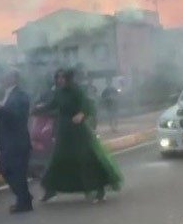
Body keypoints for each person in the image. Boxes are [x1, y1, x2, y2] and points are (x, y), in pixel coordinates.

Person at [38, 69, 123, 203]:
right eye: (58, 77)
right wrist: (37, 109)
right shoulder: (58, 93)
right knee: (58, 160)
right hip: (64, 131)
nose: (59, 80)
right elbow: (52, 105)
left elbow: (87, 105)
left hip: (78, 131)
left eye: (62, 77)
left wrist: (82, 114)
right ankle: (51, 190)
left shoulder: (77, 91)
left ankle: (100, 190)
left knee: (87, 159)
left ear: (68, 78)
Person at [0, 70, 33, 213]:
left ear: (14, 79)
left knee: (16, 172)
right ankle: (24, 198)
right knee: (6, 169)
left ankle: (24, 201)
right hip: (8, 141)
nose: (3, 78)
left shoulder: (21, 95)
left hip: (17, 141)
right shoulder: (6, 95)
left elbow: (17, 116)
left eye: (6, 76)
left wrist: (0, 110)